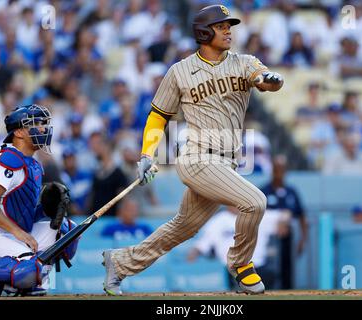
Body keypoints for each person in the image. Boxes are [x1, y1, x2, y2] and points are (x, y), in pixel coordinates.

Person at [102, 4, 284, 295]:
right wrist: (147, 154)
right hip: (197, 158)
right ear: (203, 32)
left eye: (229, 25)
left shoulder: (244, 62)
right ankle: (241, 265)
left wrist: (271, 80)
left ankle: (121, 263)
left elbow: (264, 80)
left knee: (182, 228)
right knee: (255, 202)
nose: (228, 30)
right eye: (221, 26)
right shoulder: (180, 71)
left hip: (226, 164)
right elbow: (158, 115)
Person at [0, 105, 79, 296]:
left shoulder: (33, 164)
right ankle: (20, 279)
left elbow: (20, 212)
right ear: (20, 132)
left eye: (43, 123)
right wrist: (18, 233)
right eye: (36, 124)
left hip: (12, 234)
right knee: (30, 268)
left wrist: (46, 209)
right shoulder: (7, 159)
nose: (43, 128)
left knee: (68, 232)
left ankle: (27, 280)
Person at [187, 206, 289, 290]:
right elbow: (202, 244)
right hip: (232, 270)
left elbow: (285, 213)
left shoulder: (258, 216)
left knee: (268, 281)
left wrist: (283, 223)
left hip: (259, 267)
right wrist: (193, 255)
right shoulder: (217, 221)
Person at [261, 155, 308, 290]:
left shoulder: (291, 192)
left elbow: (301, 216)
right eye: (277, 169)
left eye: (282, 169)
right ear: (272, 170)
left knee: (288, 269)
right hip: (268, 239)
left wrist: (302, 240)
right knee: (270, 269)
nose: (280, 173)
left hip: (288, 239)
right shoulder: (264, 191)